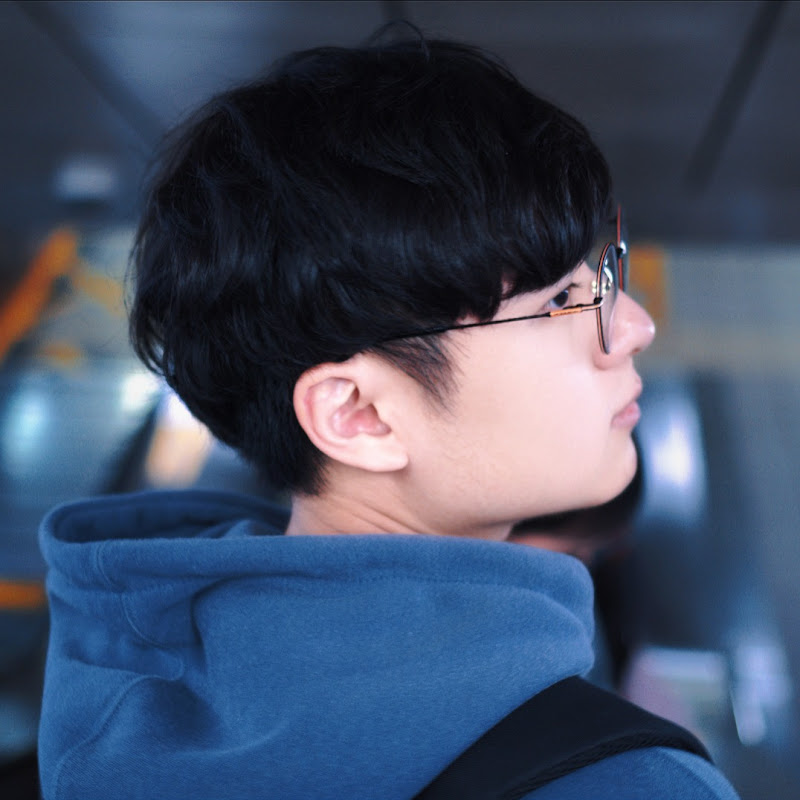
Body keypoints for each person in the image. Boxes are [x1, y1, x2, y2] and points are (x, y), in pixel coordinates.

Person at [37, 32, 740, 800]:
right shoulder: (631, 783)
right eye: (562, 301)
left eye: (602, 272)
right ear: (359, 414)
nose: (634, 326)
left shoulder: (112, 712)